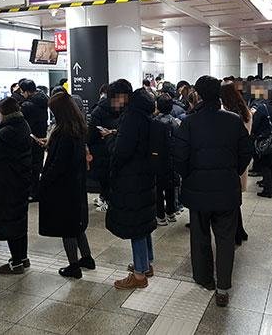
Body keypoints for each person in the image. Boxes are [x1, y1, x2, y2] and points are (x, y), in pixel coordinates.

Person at [174, 76, 252, 306]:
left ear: (197, 94)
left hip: (197, 191)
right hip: (226, 190)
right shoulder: (233, 121)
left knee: (199, 236)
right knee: (226, 239)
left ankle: (204, 278)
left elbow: (180, 158)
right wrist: (233, 171)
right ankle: (223, 287)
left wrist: (189, 176)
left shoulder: (189, 123)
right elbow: (246, 152)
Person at [39, 92, 94, 279]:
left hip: (64, 187)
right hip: (76, 184)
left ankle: (73, 266)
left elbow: (58, 164)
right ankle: (87, 258)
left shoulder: (64, 132)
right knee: (77, 224)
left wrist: (44, 180)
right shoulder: (78, 127)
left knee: (67, 227)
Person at [108, 88, 157, 290]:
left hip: (132, 179)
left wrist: (111, 140)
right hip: (145, 176)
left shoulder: (131, 117)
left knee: (136, 225)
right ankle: (146, 265)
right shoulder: (146, 115)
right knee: (144, 223)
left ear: (124, 97)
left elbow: (122, 151)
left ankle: (138, 275)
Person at [0, 97, 33, 274]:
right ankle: (23, 258)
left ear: (3, 112)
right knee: (20, 221)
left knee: (11, 222)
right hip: (21, 180)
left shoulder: (6, 132)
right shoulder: (23, 125)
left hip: (7, 183)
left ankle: (16, 262)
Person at [88, 79, 132, 212]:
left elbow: (90, 135)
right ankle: (107, 199)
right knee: (108, 178)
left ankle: (107, 199)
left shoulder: (100, 110)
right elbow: (91, 135)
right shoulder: (125, 110)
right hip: (107, 150)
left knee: (108, 178)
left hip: (109, 150)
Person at [220, 82, 252, 245]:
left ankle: (237, 233)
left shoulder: (228, 116)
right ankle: (240, 230)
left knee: (231, 201)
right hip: (241, 159)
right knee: (235, 198)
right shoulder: (245, 111)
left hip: (230, 159)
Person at [19, 79, 49, 202]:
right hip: (41, 137)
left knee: (29, 166)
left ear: (27, 91)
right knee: (37, 165)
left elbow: (23, 123)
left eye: (22, 92)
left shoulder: (27, 106)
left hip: (30, 138)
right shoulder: (43, 100)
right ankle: (36, 191)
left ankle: (31, 192)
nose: (21, 94)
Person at [252, 85, 272, 198]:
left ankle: (267, 190)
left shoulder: (262, 107)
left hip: (265, 138)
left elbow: (255, 124)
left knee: (265, 164)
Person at [153, 94, 180, 226]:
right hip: (173, 160)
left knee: (158, 189)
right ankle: (171, 212)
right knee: (170, 187)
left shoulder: (156, 122)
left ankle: (160, 215)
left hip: (159, 160)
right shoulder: (175, 122)